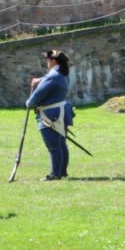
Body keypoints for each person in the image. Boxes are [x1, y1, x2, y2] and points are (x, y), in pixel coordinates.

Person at [26, 50, 75, 181]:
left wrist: (28, 103)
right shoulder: (63, 73)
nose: (47, 62)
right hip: (61, 111)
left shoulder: (52, 76)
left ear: (53, 61)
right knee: (60, 144)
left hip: (50, 114)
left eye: (48, 59)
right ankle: (62, 172)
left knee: (53, 145)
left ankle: (55, 174)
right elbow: (51, 80)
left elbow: (35, 98)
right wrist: (40, 80)